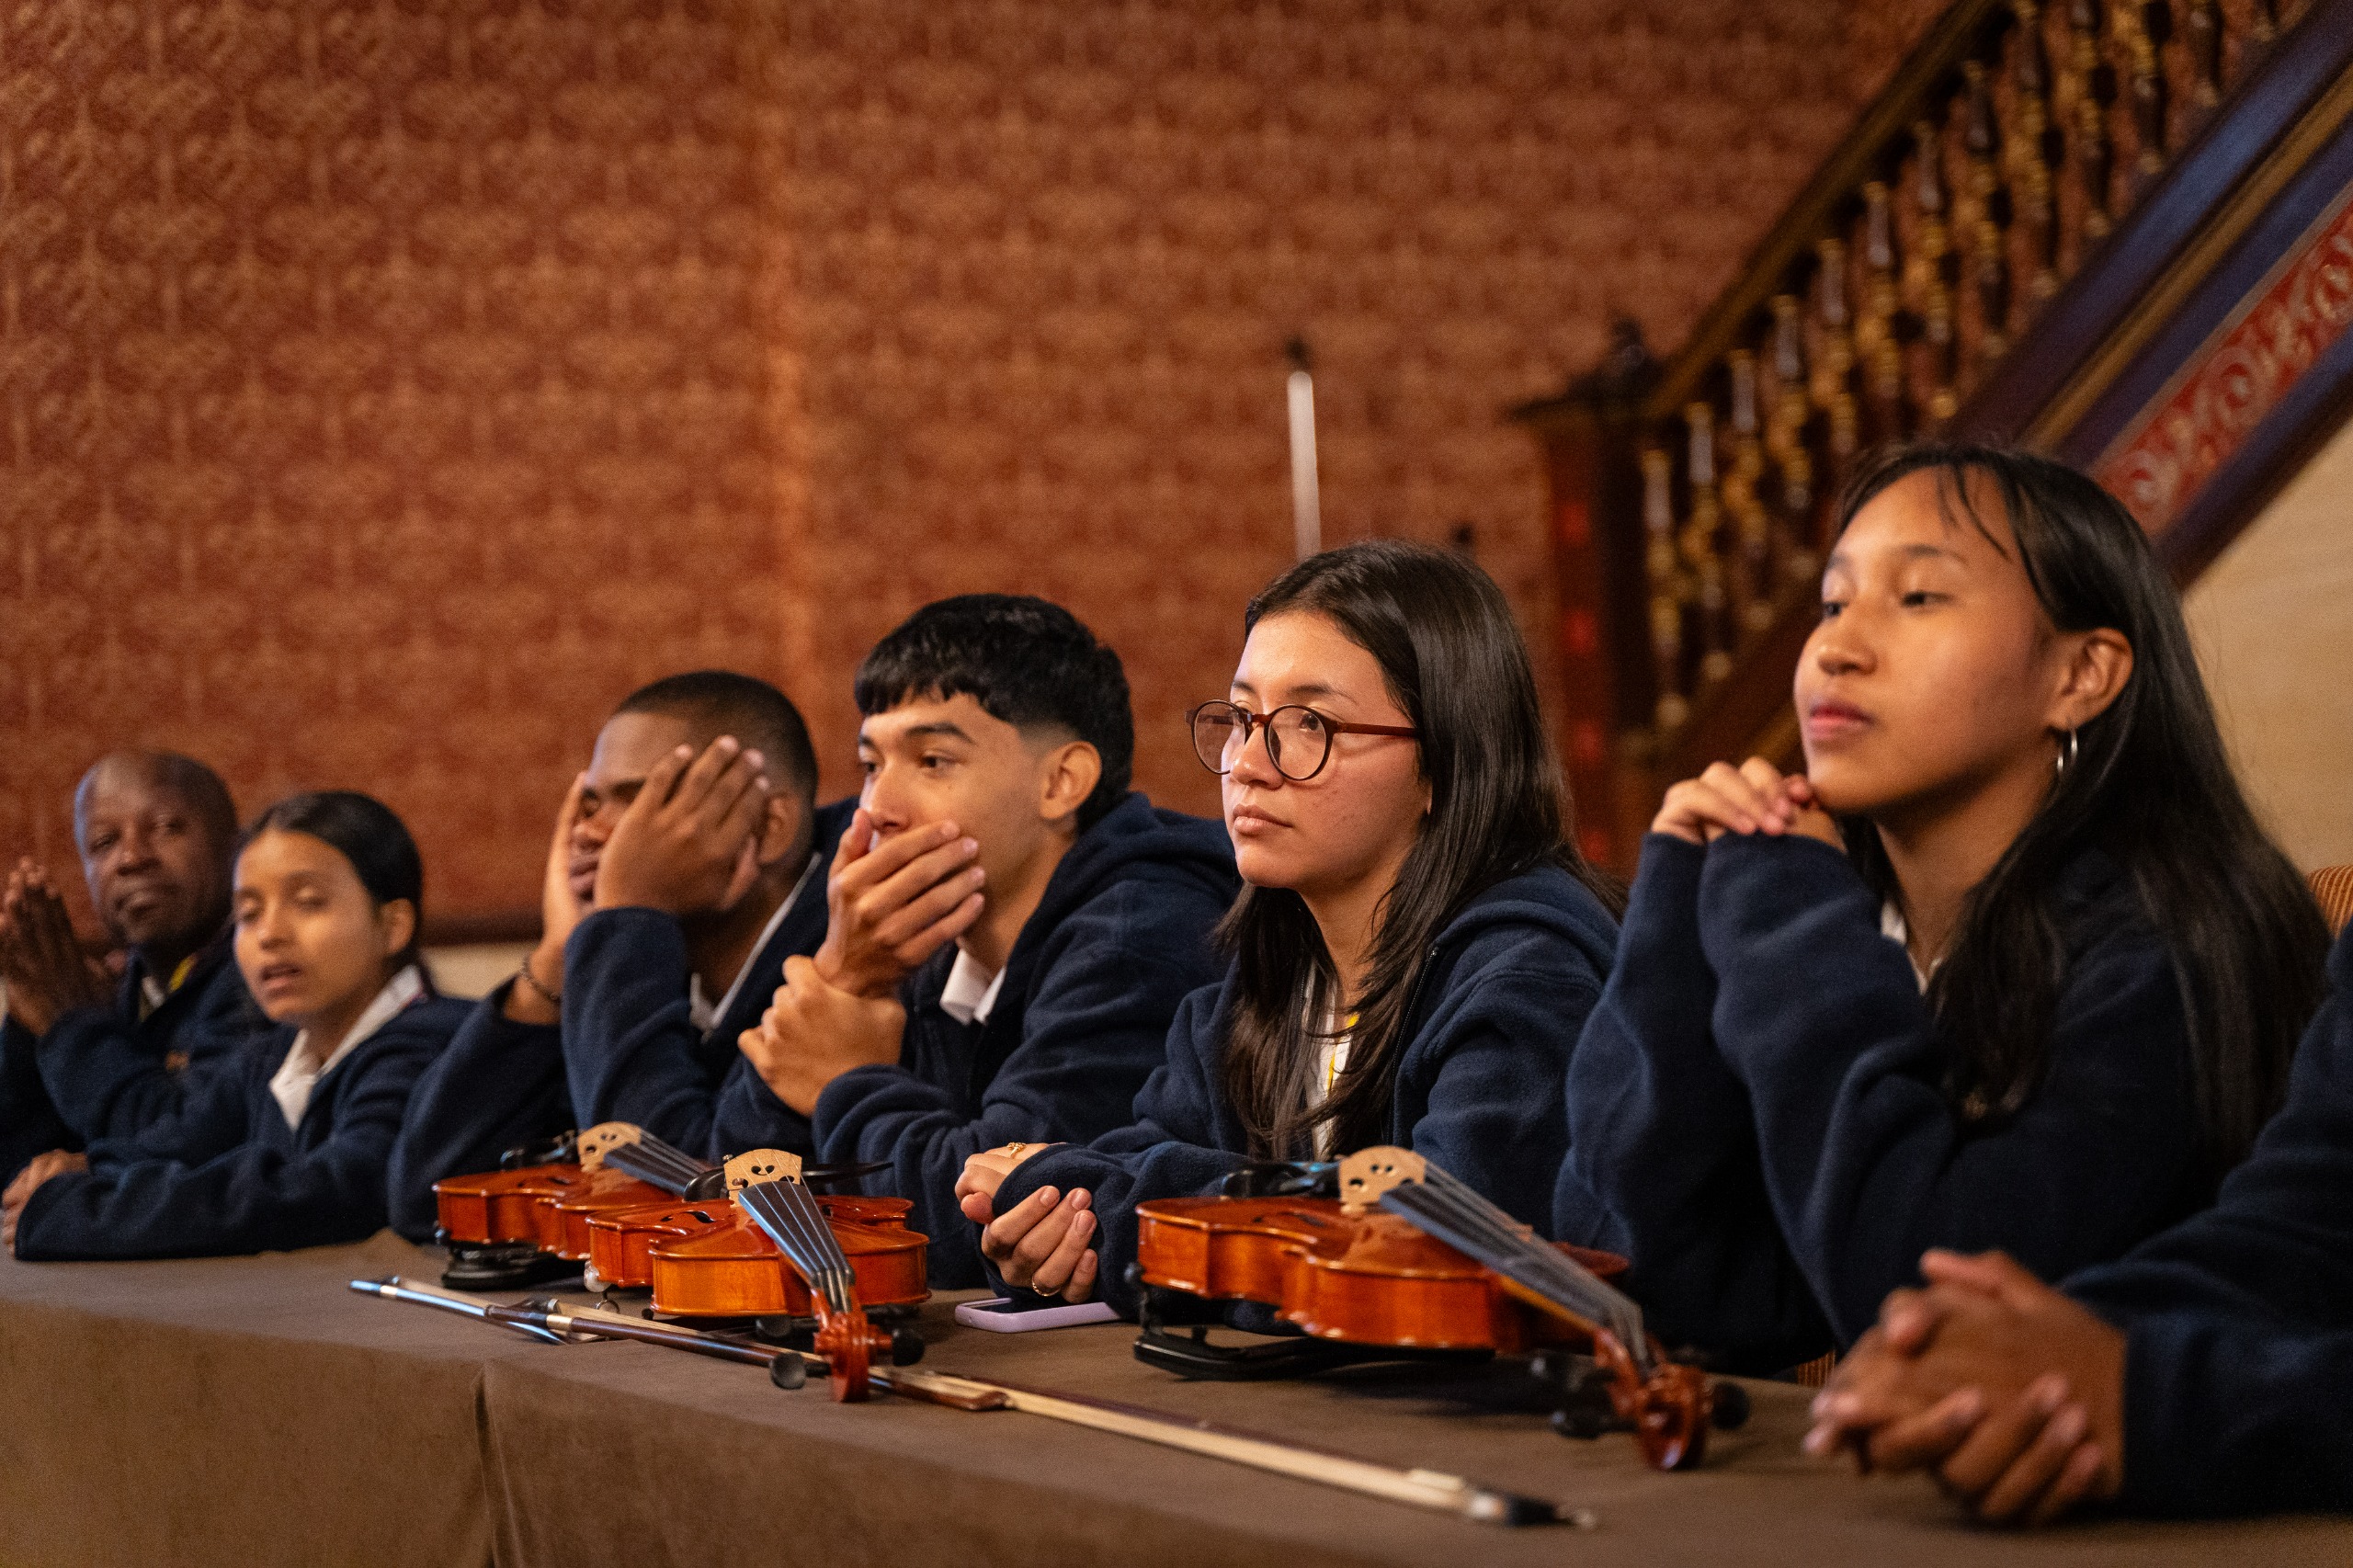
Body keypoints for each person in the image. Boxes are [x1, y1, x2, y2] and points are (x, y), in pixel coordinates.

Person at [1555, 444, 2329, 1372]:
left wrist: (1796, 912)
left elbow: (1923, 1308)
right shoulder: (1866, 926)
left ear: (2080, 674)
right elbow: (1648, 1279)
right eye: (1833, 603)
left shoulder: (2176, 936)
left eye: (1918, 597)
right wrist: (1676, 912)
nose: (1837, 647)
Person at [953, 541, 1621, 1310]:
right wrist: (1061, 1229)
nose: (1249, 763)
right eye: (1242, 717)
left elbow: (1429, 1249)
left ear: (1445, 762)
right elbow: (1137, 1167)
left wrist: (1122, 1210)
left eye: (1309, 722)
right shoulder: (1265, 980)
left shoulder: (1527, 973)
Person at [722, 596, 1236, 1288]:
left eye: (932, 760)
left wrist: (846, 1082)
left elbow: (983, 1226)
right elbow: (733, 1190)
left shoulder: (1138, 935)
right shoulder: (920, 934)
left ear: (1061, 782)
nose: (877, 808)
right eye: (872, 764)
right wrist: (845, 978)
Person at [1804, 917, 2353, 1523]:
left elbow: (1894, 1259)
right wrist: (2049, 1337)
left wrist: (2153, 1397)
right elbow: (2305, 1229)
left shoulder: (2160, 949)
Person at [385, 673, 852, 1238]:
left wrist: (625, 916)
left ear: (770, 827)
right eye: (587, 805)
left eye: (639, 802)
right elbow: (433, 1197)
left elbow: (680, 1209)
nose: (589, 832)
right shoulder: (638, 947)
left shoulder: (844, 957)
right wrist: (558, 960)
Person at [4, 792, 467, 1258]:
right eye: (248, 913)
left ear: (392, 926)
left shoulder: (437, 1044)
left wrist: (81, 1213)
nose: (270, 934)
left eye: (307, 902)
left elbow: (334, 1191)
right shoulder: (275, 1054)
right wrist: (82, 1170)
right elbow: (181, 1143)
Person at [0, 752, 256, 1184]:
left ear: (235, 847)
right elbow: (16, 1169)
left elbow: (182, 1146)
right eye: (104, 843)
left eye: (166, 828)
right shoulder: (114, 992)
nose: (132, 857)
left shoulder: (264, 978)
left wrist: (67, 1025)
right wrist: (31, 1031)